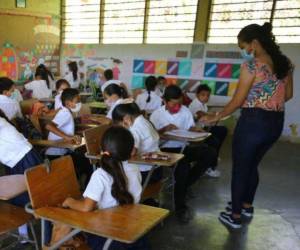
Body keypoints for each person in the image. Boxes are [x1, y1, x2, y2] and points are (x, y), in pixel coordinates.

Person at [201, 22, 294, 229]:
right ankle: (246, 205)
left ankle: (234, 216)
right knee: (252, 165)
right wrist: (268, 101)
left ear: (254, 43)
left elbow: (237, 101)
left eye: (244, 47)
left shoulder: (251, 66)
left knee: (241, 169)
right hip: (275, 123)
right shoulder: (285, 63)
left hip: (253, 122)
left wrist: (215, 117)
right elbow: (288, 95)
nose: (244, 52)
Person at [61, 126, 147, 250]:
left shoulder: (100, 175)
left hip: (106, 236)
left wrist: (69, 201)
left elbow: (86, 207)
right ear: (132, 151)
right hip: (134, 233)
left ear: (103, 151)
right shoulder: (135, 169)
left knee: (65, 215)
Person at [150, 85, 217, 223]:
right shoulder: (156, 115)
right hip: (165, 150)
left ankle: (186, 184)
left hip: (183, 147)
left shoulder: (185, 111)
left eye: (180, 103)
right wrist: (164, 130)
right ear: (165, 101)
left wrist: (196, 130)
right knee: (183, 167)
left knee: (210, 153)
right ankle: (180, 208)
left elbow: (189, 127)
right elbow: (151, 138)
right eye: (174, 104)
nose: (178, 106)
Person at [0, 109, 42, 242]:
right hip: (15, 160)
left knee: (34, 196)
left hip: (24, 159)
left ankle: (51, 227)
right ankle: (23, 233)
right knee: (19, 198)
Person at [45, 88, 92, 184]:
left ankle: (82, 182)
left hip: (62, 150)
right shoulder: (65, 113)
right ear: (68, 103)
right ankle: (84, 184)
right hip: (56, 153)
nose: (79, 103)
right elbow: (49, 126)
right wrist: (67, 137)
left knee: (85, 160)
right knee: (87, 161)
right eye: (77, 101)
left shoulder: (65, 111)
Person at [112, 102, 163, 189]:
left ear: (126, 119)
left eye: (120, 125)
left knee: (115, 176)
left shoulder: (135, 128)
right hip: (156, 169)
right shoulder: (145, 121)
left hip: (145, 172)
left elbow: (131, 152)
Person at [189, 84, 228, 178]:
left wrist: (213, 115)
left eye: (207, 95)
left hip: (203, 129)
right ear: (197, 95)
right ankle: (210, 166)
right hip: (195, 132)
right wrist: (215, 115)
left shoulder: (203, 104)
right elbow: (202, 115)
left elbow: (207, 115)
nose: (206, 97)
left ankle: (213, 157)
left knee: (223, 130)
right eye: (203, 95)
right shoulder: (195, 104)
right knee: (214, 141)